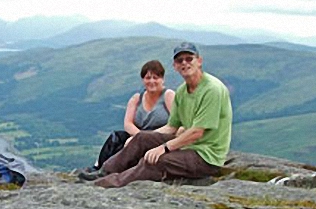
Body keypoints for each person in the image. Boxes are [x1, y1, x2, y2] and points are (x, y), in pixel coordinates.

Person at [92, 42, 232, 188]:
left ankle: (109, 184)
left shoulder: (212, 89)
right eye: (179, 60)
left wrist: (164, 147)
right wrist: (137, 139)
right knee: (142, 138)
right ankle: (104, 172)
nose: (184, 63)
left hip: (206, 156)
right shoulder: (183, 91)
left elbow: (197, 132)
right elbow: (172, 126)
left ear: (199, 61)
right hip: (189, 147)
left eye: (189, 58)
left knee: (156, 160)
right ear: (175, 66)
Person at [80, 60, 174, 178]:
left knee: (130, 145)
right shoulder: (136, 99)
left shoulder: (168, 96)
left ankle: (107, 172)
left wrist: (143, 139)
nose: (151, 81)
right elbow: (128, 124)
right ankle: (99, 167)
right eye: (148, 78)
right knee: (116, 138)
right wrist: (138, 138)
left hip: (161, 136)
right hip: (139, 135)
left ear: (162, 79)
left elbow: (174, 124)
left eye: (156, 77)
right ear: (143, 80)